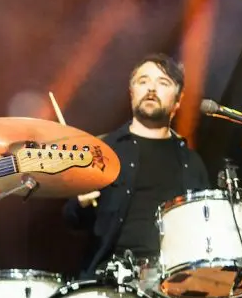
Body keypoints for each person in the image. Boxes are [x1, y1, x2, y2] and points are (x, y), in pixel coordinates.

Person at [64, 53, 209, 279]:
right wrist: (80, 203)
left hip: (173, 284)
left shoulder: (192, 163)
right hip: (108, 281)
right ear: (132, 93)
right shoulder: (101, 150)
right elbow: (71, 220)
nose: (151, 88)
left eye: (163, 83)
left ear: (178, 100)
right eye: (143, 81)